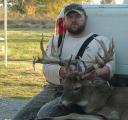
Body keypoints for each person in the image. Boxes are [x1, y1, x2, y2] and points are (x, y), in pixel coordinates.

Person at [12, 3, 115, 120]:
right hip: (54, 88)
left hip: (82, 91)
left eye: (77, 17)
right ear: (64, 20)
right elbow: (47, 68)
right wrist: (62, 70)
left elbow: (110, 68)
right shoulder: (56, 41)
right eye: (69, 17)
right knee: (21, 116)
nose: (73, 20)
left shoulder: (100, 41)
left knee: (45, 114)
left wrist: (94, 73)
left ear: (85, 18)